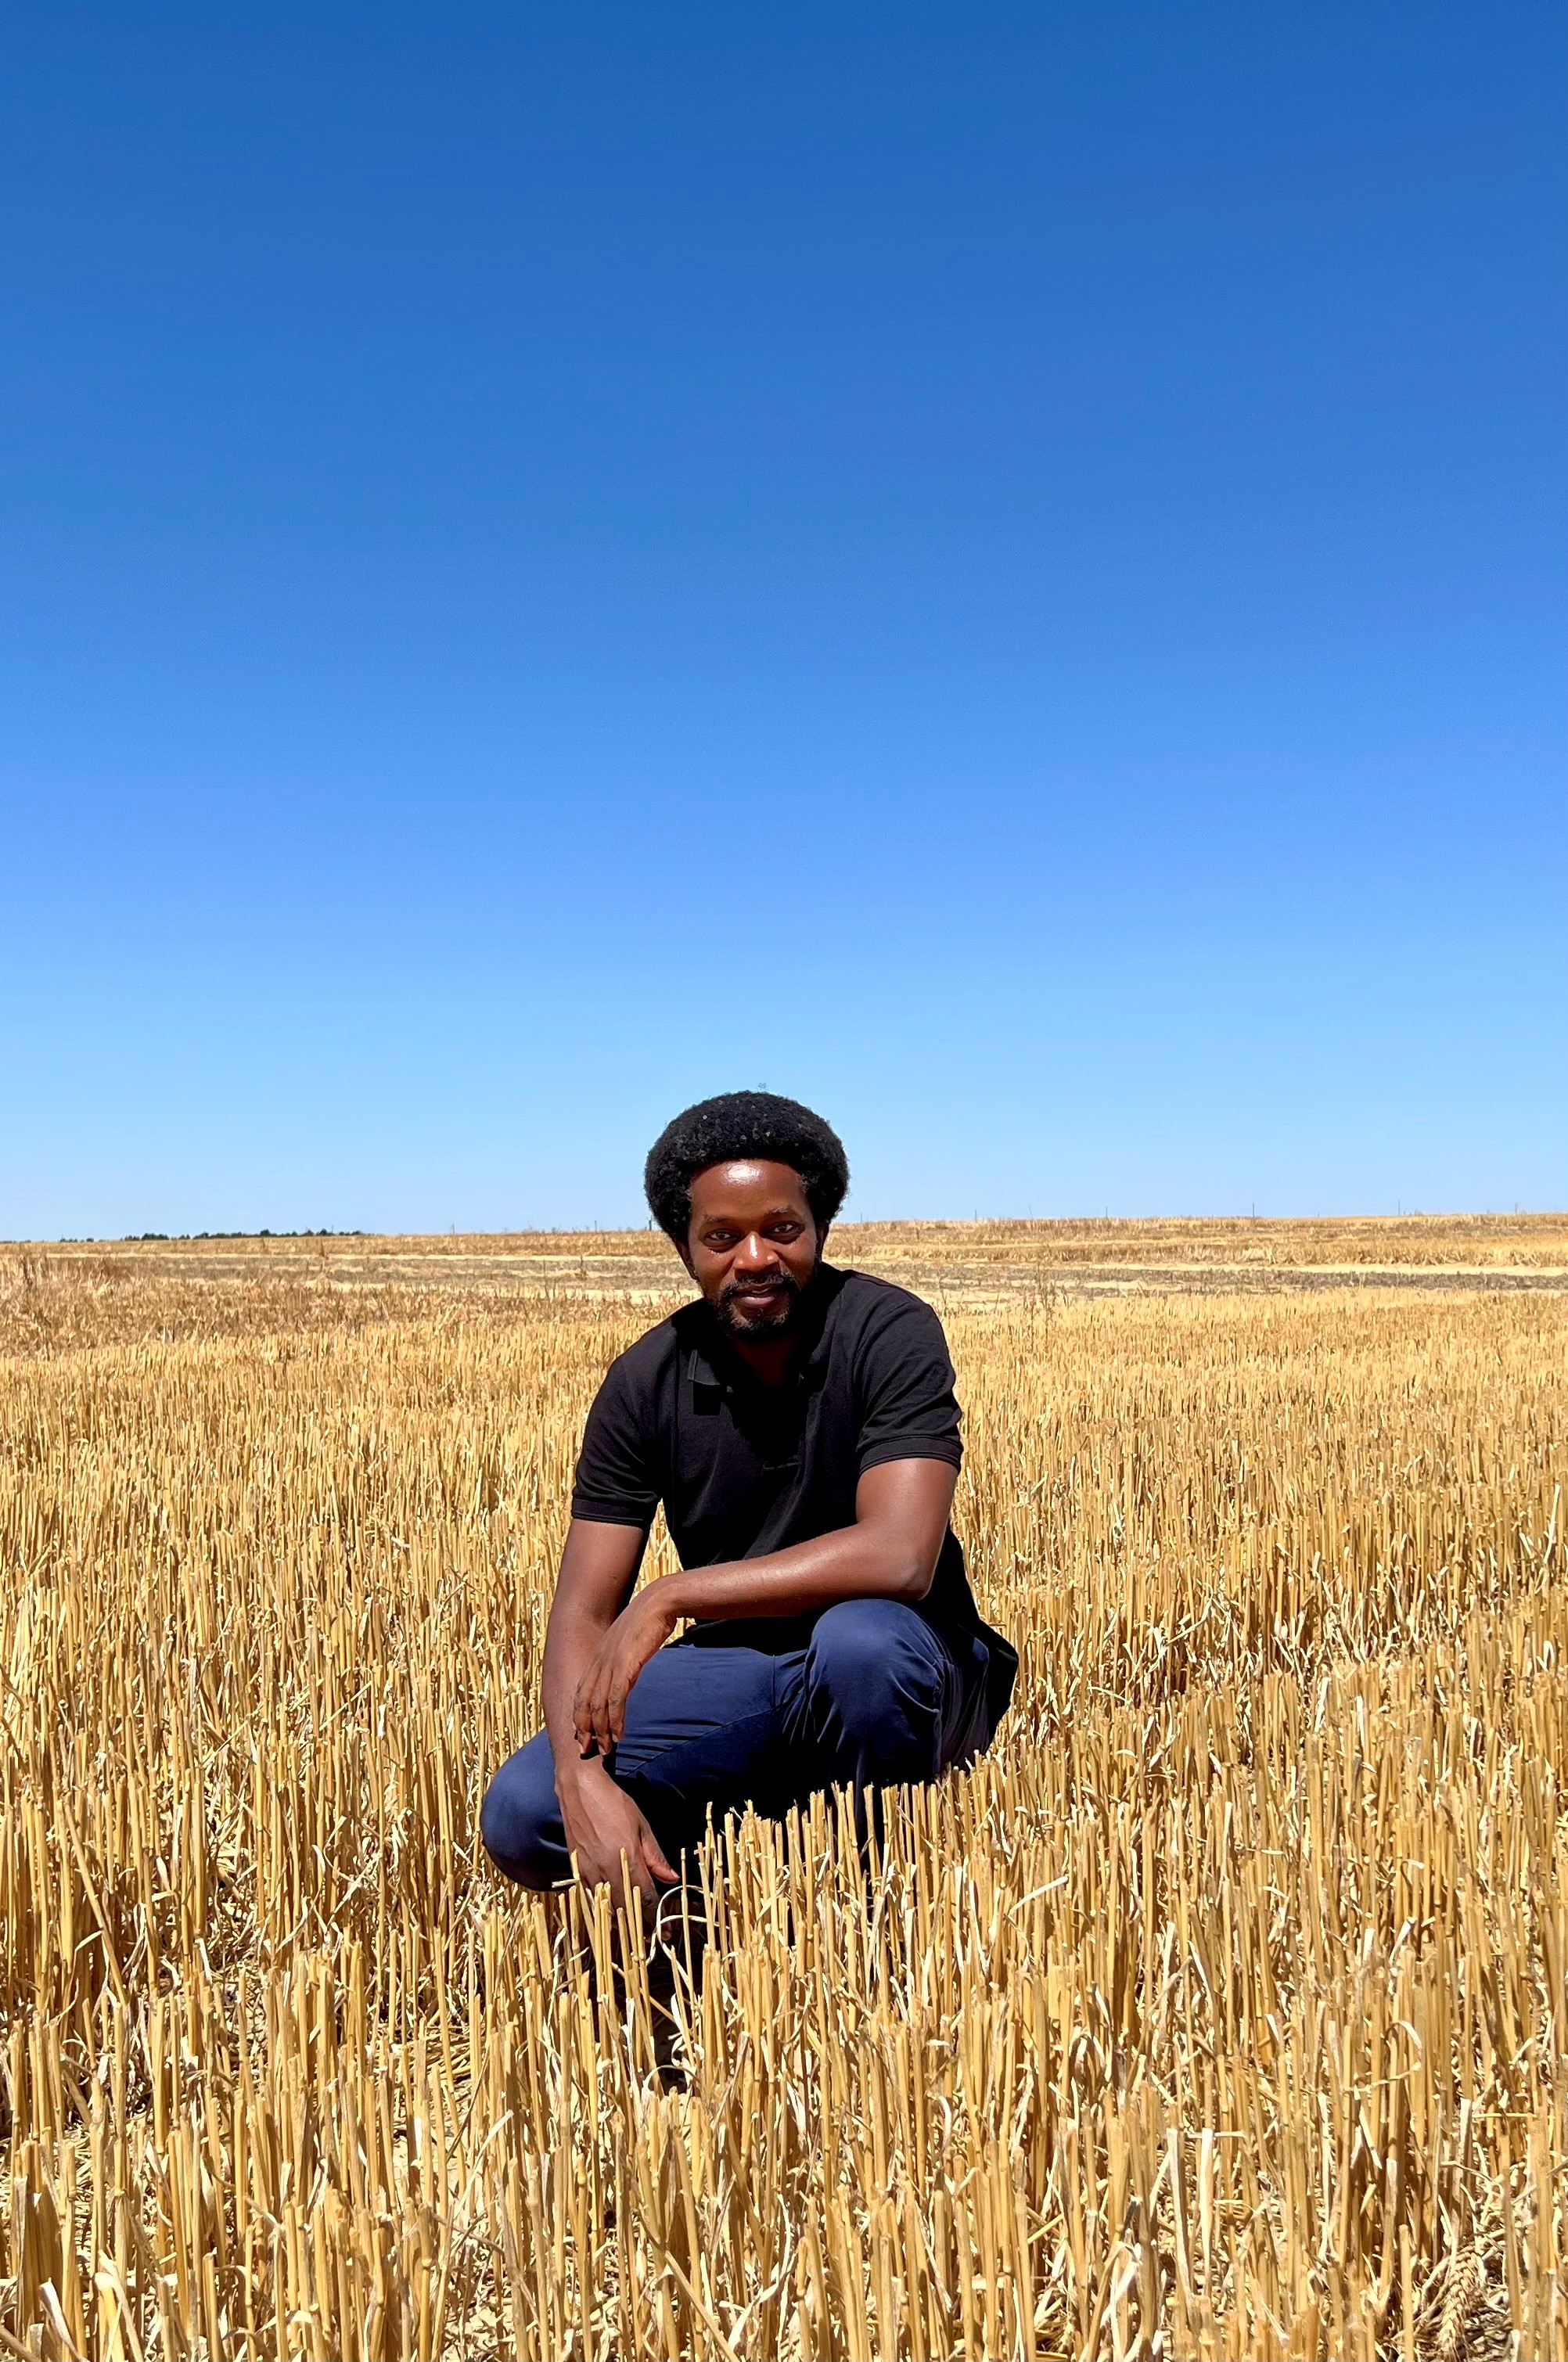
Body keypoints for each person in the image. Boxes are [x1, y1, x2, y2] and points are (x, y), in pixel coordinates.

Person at [480, 1091, 1016, 1903]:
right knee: (524, 1816)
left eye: (783, 1229)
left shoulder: (889, 1330)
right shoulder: (643, 1380)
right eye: (722, 1237)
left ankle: (877, 1915)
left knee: (862, 1647)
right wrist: (577, 1776)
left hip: (904, 1654)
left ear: (820, 1230)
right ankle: (692, 1958)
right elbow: (583, 1613)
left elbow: (901, 1555)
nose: (755, 1256)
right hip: (742, 1665)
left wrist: (673, 1595)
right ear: (685, 1248)